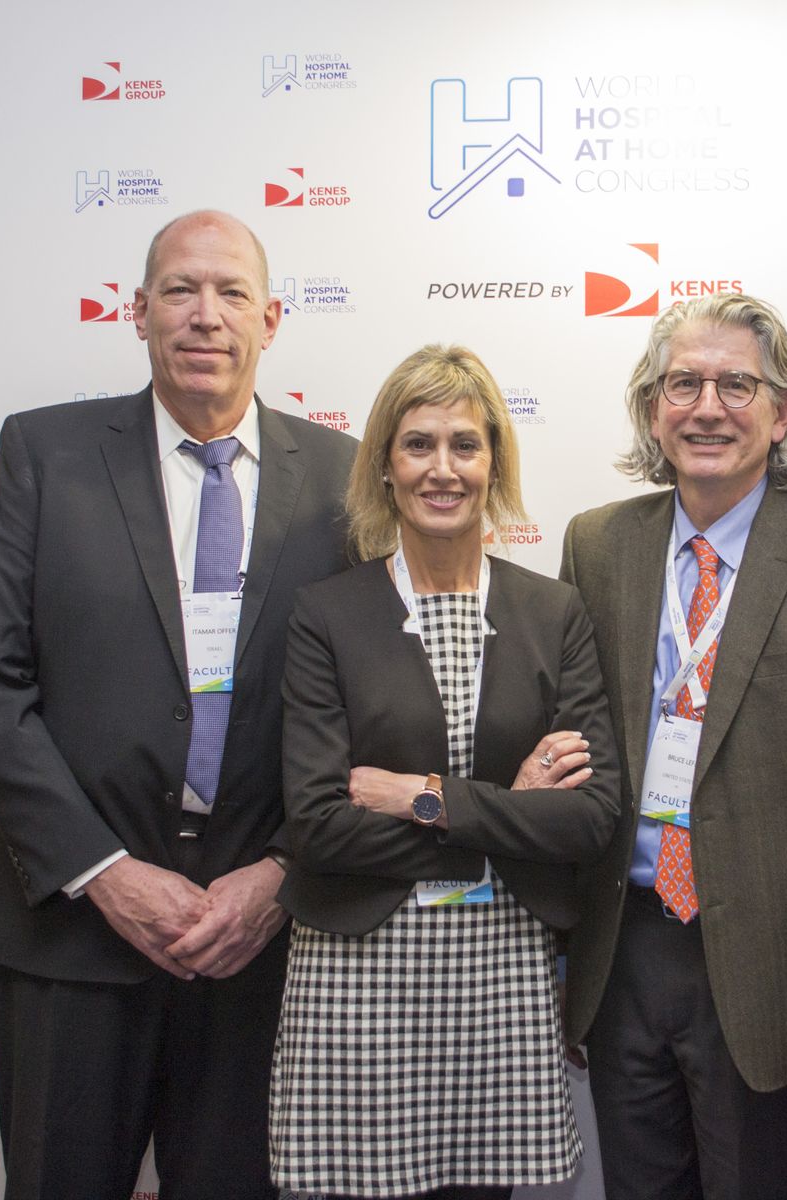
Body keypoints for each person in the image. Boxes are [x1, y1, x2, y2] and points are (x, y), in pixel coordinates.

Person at [0, 210, 357, 1200]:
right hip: (74, 942)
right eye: (179, 290)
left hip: (263, 949)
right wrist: (103, 872)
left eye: (231, 293)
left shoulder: (347, 478)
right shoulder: (44, 454)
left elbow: (375, 707)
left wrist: (283, 872)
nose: (205, 315)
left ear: (271, 319)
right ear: (137, 312)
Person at [560, 293, 787, 1200]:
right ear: (654, 409)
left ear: (782, 410)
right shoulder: (598, 545)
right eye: (683, 384)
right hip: (625, 955)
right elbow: (576, 749)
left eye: (737, 385)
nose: (708, 408)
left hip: (777, 973)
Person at [270, 344, 621, 1200]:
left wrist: (422, 797)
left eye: (466, 444)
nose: (443, 468)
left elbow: (588, 818)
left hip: (502, 980)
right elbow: (317, 827)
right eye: (418, 444)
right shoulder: (327, 615)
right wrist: (509, 815)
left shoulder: (553, 612)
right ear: (385, 466)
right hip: (357, 979)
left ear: (494, 462)